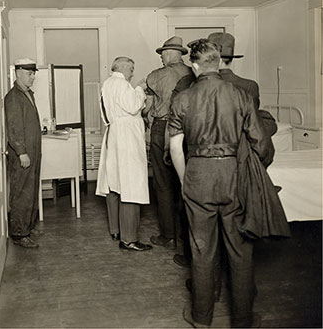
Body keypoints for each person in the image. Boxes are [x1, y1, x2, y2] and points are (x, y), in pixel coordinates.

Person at [169, 39, 268, 328]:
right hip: (233, 178)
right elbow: (261, 145)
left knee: (201, 250)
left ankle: (201, 318)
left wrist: (187, 180)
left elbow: (175, 148)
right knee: (240, 250)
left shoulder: (183, 98)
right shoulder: (240, 95)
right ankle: (243, 319)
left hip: (198, 177)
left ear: (195, 65)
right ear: (219, 61)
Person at [96, 56, 152, 252]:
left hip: (113, 135)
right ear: (125, 67)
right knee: (131, 184)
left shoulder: (107, 84)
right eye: (132, 68)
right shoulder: (123, 84)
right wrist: (140, 88)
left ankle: (116, 229)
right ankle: (129, 239)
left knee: (114, 183)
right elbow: (133, 106)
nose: (133, 73)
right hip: (127, 138)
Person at [145, 36, 194, 253]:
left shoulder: (159, 74)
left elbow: (148, 89)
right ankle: (186, 235)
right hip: (190, 130)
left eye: (163, 54)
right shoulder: (193, 73)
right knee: (183, 182)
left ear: (168, 54)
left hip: (163, 128)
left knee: (162, 184)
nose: (162, 57)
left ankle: (168, 235)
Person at [4, 58, 42, 248]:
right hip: (23, 154)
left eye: (33, 73)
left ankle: (28, 226)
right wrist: (21, 152)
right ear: (18, 73)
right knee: (21, 192)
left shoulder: (27, 94)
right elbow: (14, 128)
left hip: (32, 151)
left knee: (31, 189)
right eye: (29, 73)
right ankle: (20, 233)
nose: (33, 77)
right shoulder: (13, 97)